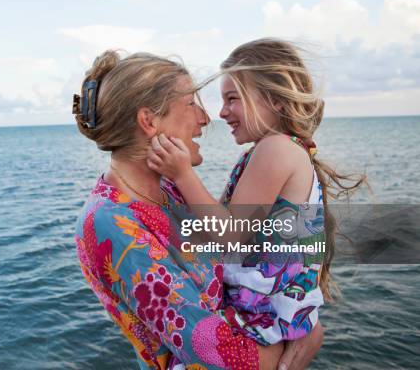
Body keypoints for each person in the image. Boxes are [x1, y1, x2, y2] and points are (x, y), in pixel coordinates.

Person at [73, 49, 323, 370]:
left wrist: (301, 319)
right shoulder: (110, 222)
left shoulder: (168, 190)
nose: (205, 119)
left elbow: (231, 252)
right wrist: (300, 343)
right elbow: (214, 352)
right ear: (149, 122)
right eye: (192, 104)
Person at [146, 38, 365, 347]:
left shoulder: (275, 150)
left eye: (232, 98)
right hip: (263, 317)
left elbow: (230, 234)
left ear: (274, 99)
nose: (221, 112)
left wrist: (182, 174)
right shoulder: (271, 151)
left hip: (258, 321)